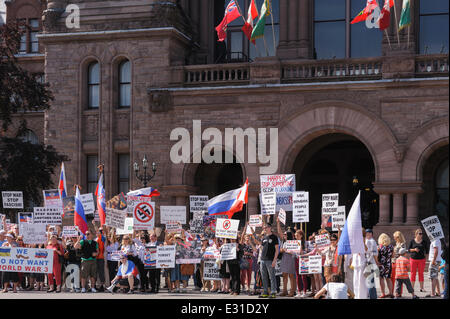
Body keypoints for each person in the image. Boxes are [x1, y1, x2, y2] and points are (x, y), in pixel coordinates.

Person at [257, 223, 279, 299]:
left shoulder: (274, 237)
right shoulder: (264, 237)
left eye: (265, 227)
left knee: (271, 276)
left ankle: (273, 292)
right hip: (263, 259)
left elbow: (277, 250)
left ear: (270, 227)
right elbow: (262, 248)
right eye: (264, 228)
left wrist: (274, 260)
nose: (264, 229)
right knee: (264, 276)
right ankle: (265, 291)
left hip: (270, 260)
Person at [277, 219, 296, 297]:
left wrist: (286, 251)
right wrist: (282, 250)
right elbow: (281, 249)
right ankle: (284, 290)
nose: (284, 235)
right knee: (284, 275)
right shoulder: (283, 242)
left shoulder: (294, 242)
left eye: (285, 234)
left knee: (291, 275)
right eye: (284, 234)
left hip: (291, 259)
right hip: (284, 259)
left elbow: (295, 251)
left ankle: (292, 291)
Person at [377, 233, 394, 298]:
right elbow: (393, 256)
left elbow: (377, 256)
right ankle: (391, 293)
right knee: (388, 279)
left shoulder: (379, 247)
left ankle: (383, 293)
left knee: (381, 279)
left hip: (381, 264)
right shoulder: (391, 246)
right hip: (388, 264)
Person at [92, 221, 106, 292]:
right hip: (94, 258)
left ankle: (102, 286)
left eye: (100, 231)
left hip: (100, 258)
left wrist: (94, 224)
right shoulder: (95, 239)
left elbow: (97, 230)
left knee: (101, 272)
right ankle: (94, 286)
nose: (98, 232)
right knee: (94, 272)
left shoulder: (101, 238)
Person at [293, 229, 308, 298]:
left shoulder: (305, 243)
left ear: (301, 236)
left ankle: (304, 291)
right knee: (297, 276)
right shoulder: (294, 242)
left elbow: (306, 252)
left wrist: (301, 249)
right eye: (295, 236)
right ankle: (299, 291)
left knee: (303, 276)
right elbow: (293, 251)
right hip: (296, 259)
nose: (296, 237)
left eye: (297, 235)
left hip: (303, 260)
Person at [364, 229, 378, 299]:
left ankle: (373, 296)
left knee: (370, 281)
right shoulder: (365, 241)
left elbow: (375, 254)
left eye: (369, 233)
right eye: (367, 233)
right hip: (366, 263)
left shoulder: (372, 242)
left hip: (370, 263)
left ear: (372, 234)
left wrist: (377, 262)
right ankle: (370, 295)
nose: (368, 235)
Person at [391, 231, 406, 296]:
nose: (394, 238)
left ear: (398, 237)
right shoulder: (397, 243)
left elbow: (403, 253)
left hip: (399, 263)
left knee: (399, 279)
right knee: (392, 278)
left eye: (394, 237)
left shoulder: (402, 244)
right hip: (393, 262)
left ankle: (399, 293)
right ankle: (392, 292)